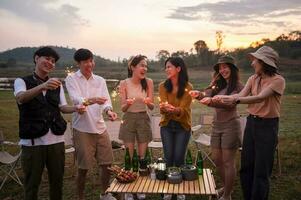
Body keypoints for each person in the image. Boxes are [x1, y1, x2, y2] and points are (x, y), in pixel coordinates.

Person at [214, 46, 286, 200]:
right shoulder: (253, 78)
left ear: (264, 62)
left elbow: (260, 97)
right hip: (251, 124)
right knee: (246, 168)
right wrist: (224, 98)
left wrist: (235, 99)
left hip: (267, 127)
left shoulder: (278, 80)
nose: (252, 63)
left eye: (255, 60)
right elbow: (240, 94)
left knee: (261, 170)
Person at [14, 46, 84, 200]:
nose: (50, 63)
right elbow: (21, 98)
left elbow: (62, 107)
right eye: (47, 58)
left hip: (56, 140)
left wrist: (76, 108)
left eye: (53, 61)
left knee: (57, 182)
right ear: (36, 58)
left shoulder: (56, 85)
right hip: (33, 142)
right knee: (32, 184)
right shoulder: (22, 81)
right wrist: (42, 86)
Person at [65, 48, 118, 200]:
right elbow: (77, 100)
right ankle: (80, 197)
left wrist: (109, 111)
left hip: (100, 127)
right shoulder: (72, 79)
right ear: (78, 63)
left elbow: (106, 100)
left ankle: (104, 194)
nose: (89, 64)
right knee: (83, 168)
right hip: (82, 128)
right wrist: (93, 100)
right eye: (85, 62)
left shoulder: (100, 80)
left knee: (107, 165)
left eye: (91, 60)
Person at [190, 55, 244, 200]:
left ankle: (227, 195)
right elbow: (206, 94)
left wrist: (211, 102)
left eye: (226, 67)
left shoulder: (239, 86)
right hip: (217, 126)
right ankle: (227, 188)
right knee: (217, 160)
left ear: (232, 68)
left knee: (228, 162)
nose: (223, 70)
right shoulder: (217, 84)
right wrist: (198, 94)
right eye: (220, 68)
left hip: (231, 125)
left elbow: (230, 103)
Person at [118, 55, 154, 200]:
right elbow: (123, 108)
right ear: (132, 67)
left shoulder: (149, 82)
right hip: (129, 119)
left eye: (146, 66)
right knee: (129, 156)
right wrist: (128, 103)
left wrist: (147, 102)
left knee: (142, 157)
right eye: (141, 65)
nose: (144, 68)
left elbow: (152, 106)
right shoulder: (124, 83)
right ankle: (129, 189)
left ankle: (140, 187)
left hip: (143, 118)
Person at [159, 57, 192, 200]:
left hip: (182, 126)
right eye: (166, 67)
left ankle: (179, 189)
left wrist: (173, 110)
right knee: (168, 158)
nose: (167, 69)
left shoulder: (188, 87)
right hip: (167, 126)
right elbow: (162, 108)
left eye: (169, 67)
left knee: (179, 158)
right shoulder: (162, 86)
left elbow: (184, 110)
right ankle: (168, 188)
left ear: (178, 69)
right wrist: (167, 109)